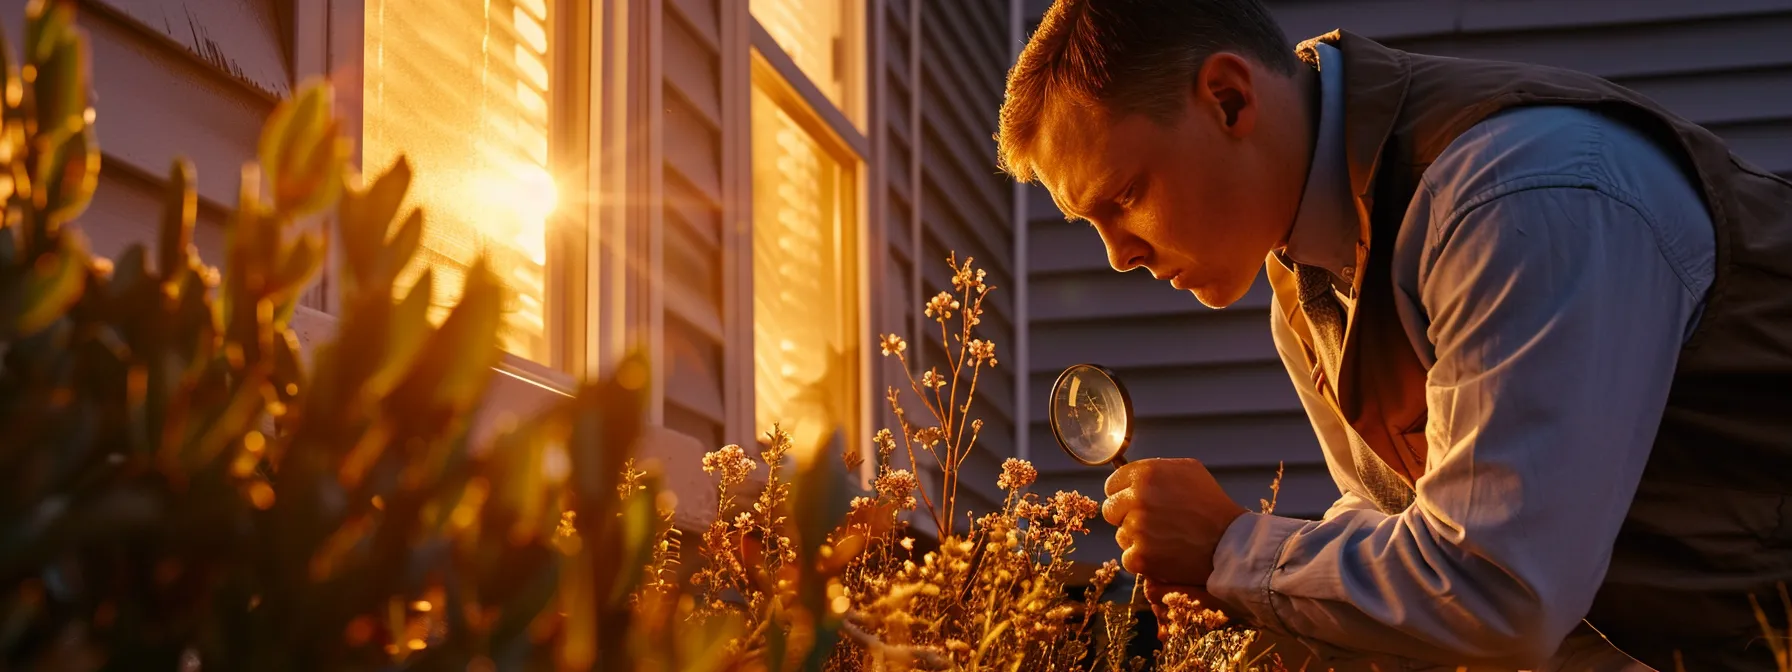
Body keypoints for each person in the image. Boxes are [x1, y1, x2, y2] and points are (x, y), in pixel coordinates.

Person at [996, 1, 1792, 670]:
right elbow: (1401, 551)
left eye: (1125, 196)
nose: (1119, 255)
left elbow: (1498, 591)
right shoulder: (1305, 276)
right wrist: (1234, 595)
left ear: (1230, 99)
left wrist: (1229, 548)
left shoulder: (1511, 197)